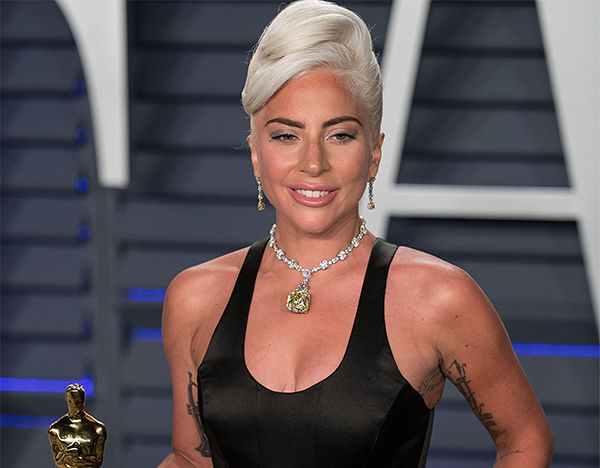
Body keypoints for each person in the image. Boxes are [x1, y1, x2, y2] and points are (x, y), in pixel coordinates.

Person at [157, 1, 554, 467]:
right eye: (286, 136)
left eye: (340, 135)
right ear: (256, 155)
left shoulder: (437, 298)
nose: (313, 163)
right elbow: (191, 459)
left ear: (374, 154)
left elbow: (526, 439)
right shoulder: (196, 298)